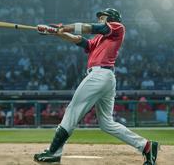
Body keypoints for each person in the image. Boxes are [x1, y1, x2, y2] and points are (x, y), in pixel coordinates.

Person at [34, 8, 159, 165]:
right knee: (107, 124)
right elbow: (79, 40)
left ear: (112, 18)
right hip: (105, 78)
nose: (100, 19)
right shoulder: (100, 39)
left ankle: (54, 152)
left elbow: (91, 27)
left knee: (73, 110)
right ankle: (147, 146)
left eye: (102, 17)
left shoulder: (117, 27)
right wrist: (57, 33)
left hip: (99, 75)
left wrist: (64, 27)